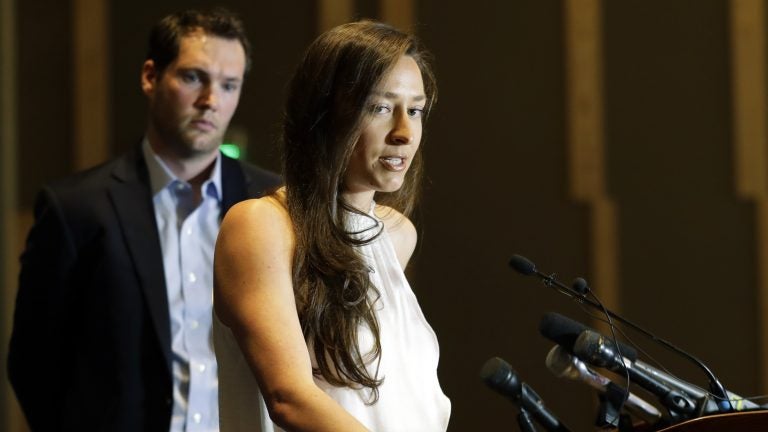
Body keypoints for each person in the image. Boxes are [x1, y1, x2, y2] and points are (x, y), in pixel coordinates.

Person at [7, 8, 280, 432]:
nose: (211, 100)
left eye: (229, 85)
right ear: (151, 77)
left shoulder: (276, 204)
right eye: (194, 78)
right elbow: (33, 364)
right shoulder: (76, 208)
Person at [213, 20, 450, 432]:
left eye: (415, 110)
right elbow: (290, 398)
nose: (404, 133)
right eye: (379, 108)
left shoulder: (396, 235)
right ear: (325, 113)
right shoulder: (261, 225)